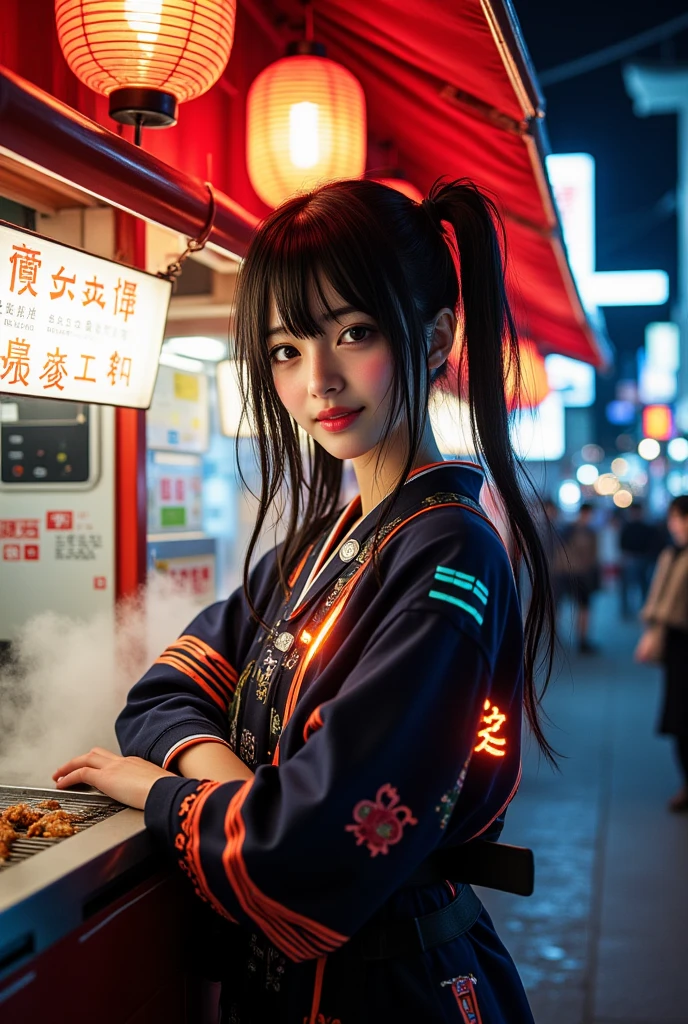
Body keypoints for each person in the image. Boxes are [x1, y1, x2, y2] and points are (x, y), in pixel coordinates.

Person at [53, 179, 556, 1024]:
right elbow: (163, 692)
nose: (318, 377)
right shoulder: (316, 544)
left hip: (393, 992)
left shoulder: (450, 551)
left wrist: (155, 789)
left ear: (435, 338)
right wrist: (249, 794)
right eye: (286, 349)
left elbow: (309, 849)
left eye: (354, 333)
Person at [635, 495, 688, 813]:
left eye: (676, 517)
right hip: (678, 647)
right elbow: (661, 600)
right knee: (679, 719)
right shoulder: (672, 553)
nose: (672, 524)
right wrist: (654, 633)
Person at [561, 502, 600, 653]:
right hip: (575, 573)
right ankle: (581, 639)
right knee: (581, 607)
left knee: (583, 607)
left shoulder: (584, 530)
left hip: (579, 573)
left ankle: (582, 638)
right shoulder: (574, 530)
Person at [619, 503, 657, 618]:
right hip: (630, 558)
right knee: (627, 586)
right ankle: (626, 611)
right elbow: (622, 543)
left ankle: (644, 609)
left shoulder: (646, 527)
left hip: (642, 559)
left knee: (643, 585)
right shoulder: (627, 527)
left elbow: (651, 543)